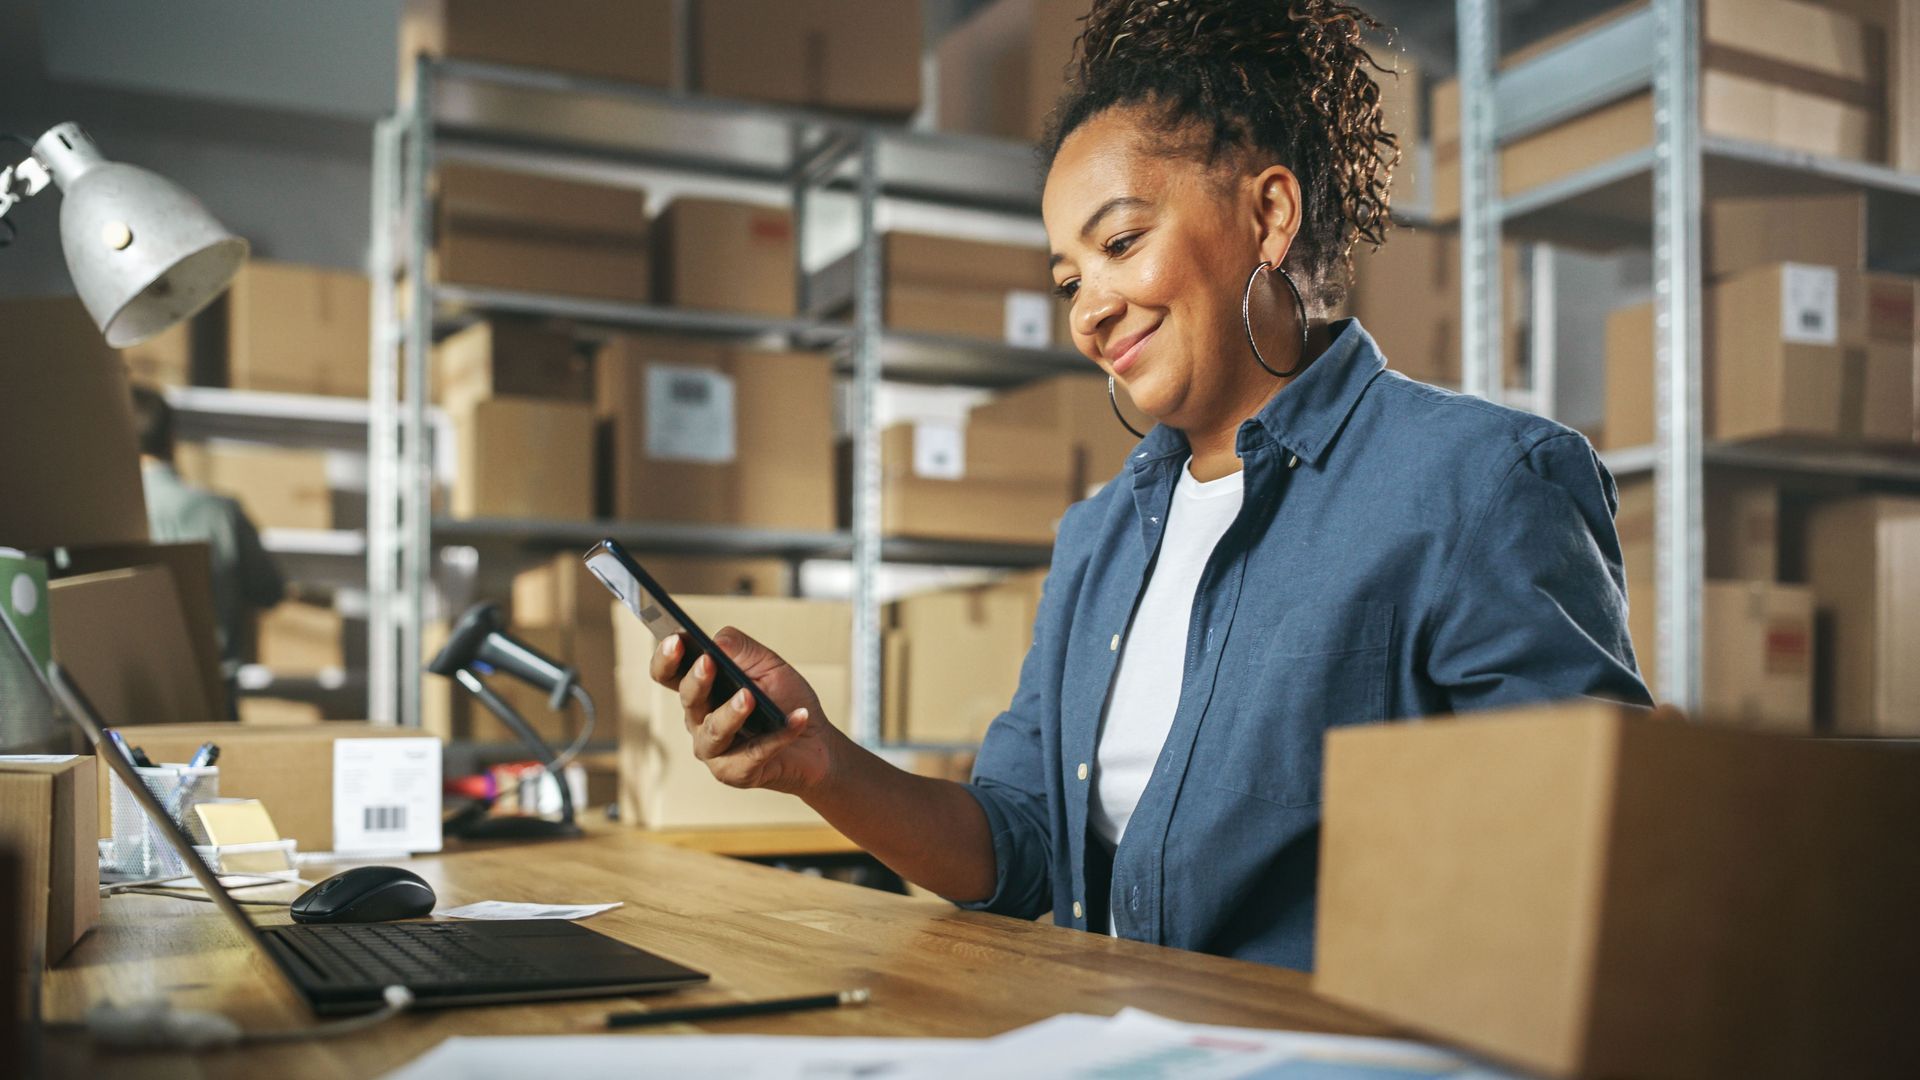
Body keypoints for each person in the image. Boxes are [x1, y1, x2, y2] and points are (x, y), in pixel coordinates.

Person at [646, 0, 1651, 972]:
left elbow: (1585, 878)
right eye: (1068, 280)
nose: (1088, 311)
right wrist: (821, 766)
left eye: (1120, 243)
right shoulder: (1099, 540)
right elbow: (1016, 844)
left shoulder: (1480, 481)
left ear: (1269, 213)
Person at [129, 384, 285, 692]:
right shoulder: (220, 512)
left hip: (130, 693)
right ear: (171, 439)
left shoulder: (104, 513)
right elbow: (270, 590)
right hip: (212, 689)